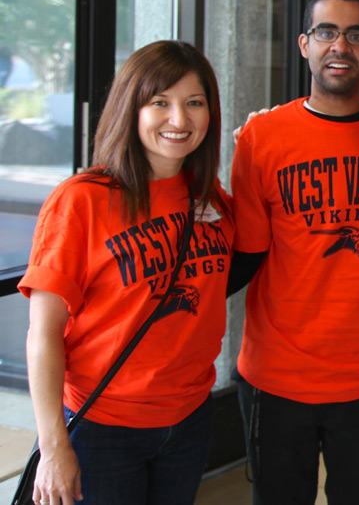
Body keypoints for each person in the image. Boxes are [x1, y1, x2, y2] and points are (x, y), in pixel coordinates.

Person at [229, 0, 359, 504]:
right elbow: (243, 252)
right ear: (304, 45)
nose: (341, 45)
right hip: (277, 376)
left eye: (356, 35)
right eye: (326, 32)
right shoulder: (261, 138)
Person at [21, 40, 232, 505]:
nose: (180, 119)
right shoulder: (82, 200)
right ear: (130, 108)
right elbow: (43, 335)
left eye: (194, 103)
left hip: (190, 416)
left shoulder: (209, 198)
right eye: (160, 102)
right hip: (103, 426)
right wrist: (54, 447)